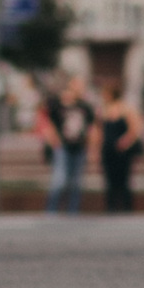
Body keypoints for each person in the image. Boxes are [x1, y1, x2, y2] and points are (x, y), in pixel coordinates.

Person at [45, 76, 95, 215]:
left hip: (79, 147)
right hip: (63, 147)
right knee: (59, 180)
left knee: (76, 182)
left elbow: (92, 127)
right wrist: (54, 141)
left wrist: (91, 149)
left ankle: (72, 212)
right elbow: (50, 124)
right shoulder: (58, 104)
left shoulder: (85, 106)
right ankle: (51, 211)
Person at [99, 80, 144, 214]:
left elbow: (136, 128)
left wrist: (125, 141)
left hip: (123, 151)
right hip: (108, 150)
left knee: (124, 180)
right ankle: (111, 208)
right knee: (109, 180)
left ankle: (126, 208)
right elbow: (99, 131)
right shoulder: (104, 110)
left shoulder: (126, 109)